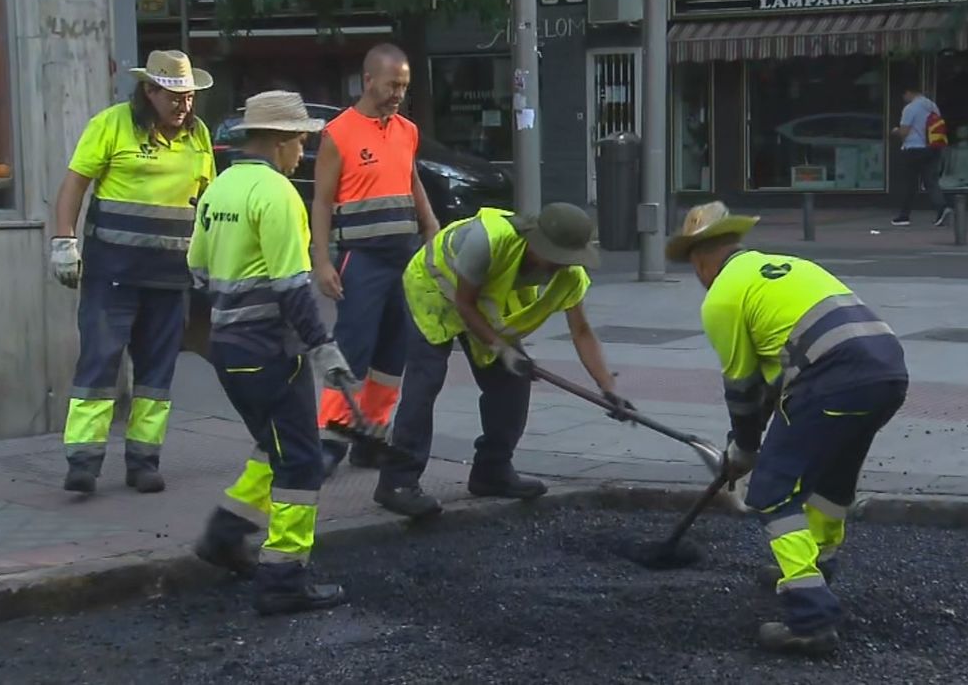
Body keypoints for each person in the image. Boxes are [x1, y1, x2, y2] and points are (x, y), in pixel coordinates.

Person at [666, 201, 909, 656]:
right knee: (832, 480)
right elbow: (771, 385)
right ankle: (815, 567)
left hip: (833, 376)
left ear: (699, 260)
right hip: (887, 369)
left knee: (772, 490)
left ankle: (810, 616)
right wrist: (747, 440)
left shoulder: (721, 297)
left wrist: (744, 450)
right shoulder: (787, 267)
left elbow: (741, 387)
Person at [187, 91, 352, 615]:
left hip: (229, 350)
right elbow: (292, 288)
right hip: (271, 353)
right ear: (280, 141)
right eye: (300, 141)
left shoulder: (218, 189)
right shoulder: (278, 194)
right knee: (300, 463)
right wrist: (324, 349)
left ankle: (224, 534)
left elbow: (197, 271)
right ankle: (283, 577)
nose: (301, 153)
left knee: (273, 447)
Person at [376, 203, 634, 519]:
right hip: (433, 290)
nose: (560, 266)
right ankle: (397, 482)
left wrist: (608, 386)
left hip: (482, 303)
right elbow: (465, 304)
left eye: (567, 259)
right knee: (425, 381)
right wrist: (503, 349)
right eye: (555, 256)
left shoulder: (569, 274)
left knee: (513, 382)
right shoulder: (486, 241)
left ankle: (492, 471)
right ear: (535, 243)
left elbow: (581, 331)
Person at [50, 50, 216, 495]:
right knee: (99, 364)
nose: (183, 105)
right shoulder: (111, 124)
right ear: (149, 91)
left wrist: (210, 261)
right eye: (174, 96)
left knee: (156, 376)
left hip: (170, 279)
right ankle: (83, 463)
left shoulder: (198, 135)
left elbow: (207, 203)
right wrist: (63, 242)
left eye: (189, 96)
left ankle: (144, 462)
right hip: (112, 274)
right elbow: (74, 185)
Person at [311, 43, 440, 477]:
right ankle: (331, 438)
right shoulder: (338, 133)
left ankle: (372, 436)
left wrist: (431, 226)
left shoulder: (407, 130)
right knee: (353, 349)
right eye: (392, 85)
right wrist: (322, 261)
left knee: (392, 354)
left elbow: (412, 179)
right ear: (368, 81)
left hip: (403, 258)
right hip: (361, 259)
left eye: (404, 85)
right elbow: (321, 202)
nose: (398, 93)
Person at [891, 84, 950, 227]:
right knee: (931, 181)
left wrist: (895, 131)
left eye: (904, 95)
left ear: (908, 92)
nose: (904, 99)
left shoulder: (910, 108)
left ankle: (904, 216)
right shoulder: (932, 106)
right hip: (932, 147)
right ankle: (942, 208)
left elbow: (904, 132)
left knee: (910, 183)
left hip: (914, 149)